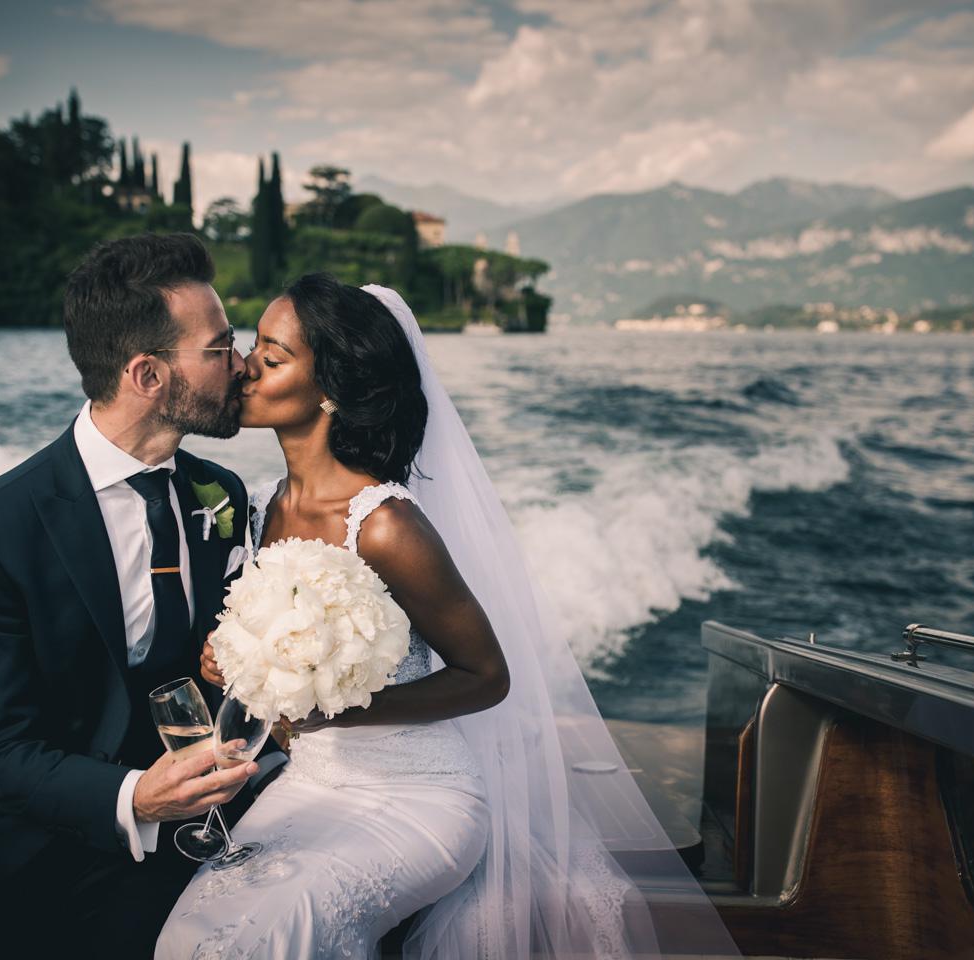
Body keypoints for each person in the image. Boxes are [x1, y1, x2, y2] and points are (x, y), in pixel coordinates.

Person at [157, 274, 738, 958]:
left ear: (330, 390)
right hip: (308, 784)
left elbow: (486, 678)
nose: (247, 366)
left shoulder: (385, 525)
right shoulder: (257, 506)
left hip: (418, 797)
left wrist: (336, 708)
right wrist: (232, 661)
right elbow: (273, 661)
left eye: (273, 356)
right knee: (191, 940)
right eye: (254, 345)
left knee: (268, 936)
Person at [0, 233, 261, 959]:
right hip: (20, 835)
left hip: (184, 815)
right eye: (220, 347)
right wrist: (132, 798)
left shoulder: (221, 495)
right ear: (148, 375)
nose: (243, 365)